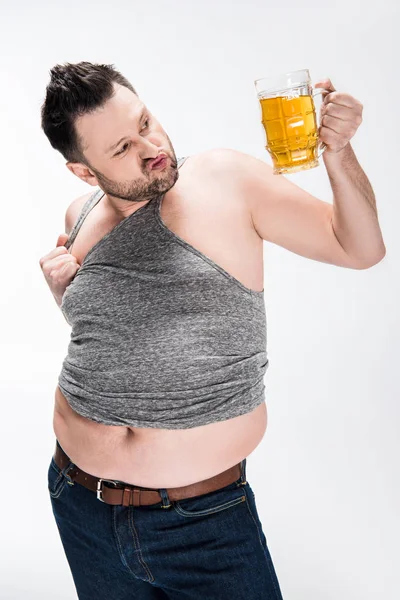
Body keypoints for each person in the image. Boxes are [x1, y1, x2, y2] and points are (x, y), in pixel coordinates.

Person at [39, 61, 385, 599]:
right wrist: (66, 296)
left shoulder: (226, 181)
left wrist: (338, 155)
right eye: (121, 150)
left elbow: (360, 248)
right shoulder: (78, 216)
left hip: (204, 522)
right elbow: (124, 332)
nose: (150, 146)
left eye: (145, 123)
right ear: (84, 171)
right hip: (81, 504)